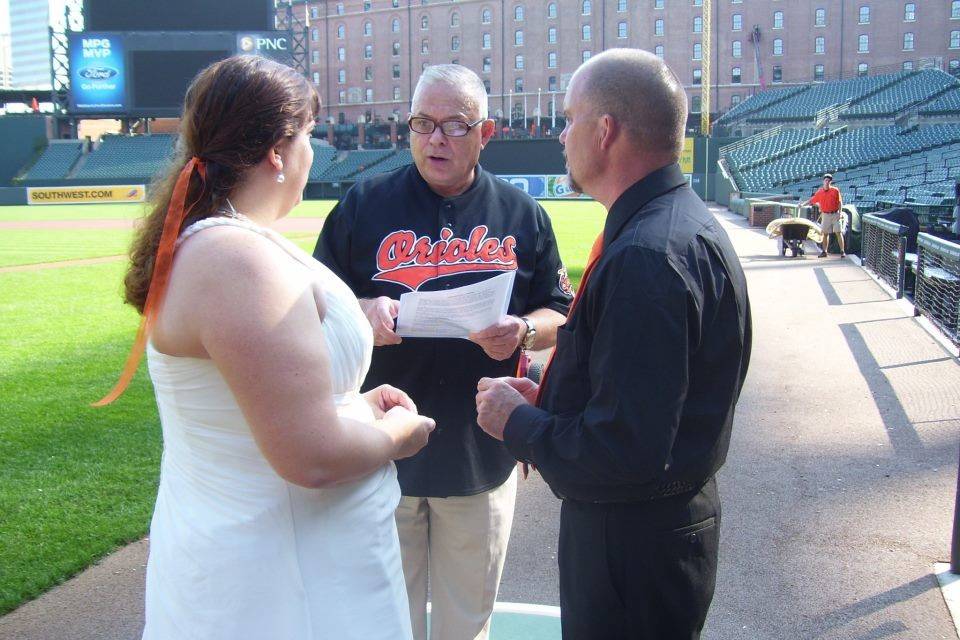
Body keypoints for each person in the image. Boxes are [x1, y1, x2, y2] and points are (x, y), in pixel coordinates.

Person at [96, 55, 435, 639]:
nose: (315, 151)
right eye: (309, 135)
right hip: (281, 583)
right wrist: (399, 436)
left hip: (286, 558)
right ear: (277, 153)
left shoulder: (227, 246)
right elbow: (310, 455)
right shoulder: (236, 259)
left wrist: (354, 407)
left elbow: (265, 409)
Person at [475, 49, 753, 640]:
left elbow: (623, 450)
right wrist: (548, 401)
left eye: (569, 118)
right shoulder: (678, 224)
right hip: (659, 538)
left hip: (631, 550)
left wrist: (516, 423)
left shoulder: (645, 257)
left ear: (605, 133)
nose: (560, 134)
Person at [314, 64, 572, 640]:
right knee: (385, 623)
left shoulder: (522, 214)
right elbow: (314, 303)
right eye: (422, 123)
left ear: (486, 133)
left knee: (467, 624)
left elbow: (560, 311)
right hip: (381, 449)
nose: (435, 138)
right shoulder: (363, 205)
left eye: (454, 124)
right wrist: (362, 310)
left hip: (481, 451)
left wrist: (523, 333)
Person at [801, 173, 846, 258]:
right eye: (826, 180)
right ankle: (824, 251)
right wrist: (802, 204)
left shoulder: (835, 190)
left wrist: (840, 212)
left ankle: (842, 251)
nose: (827, 182)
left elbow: (840, 202)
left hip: (835, 214)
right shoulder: (820, 192)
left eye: (829, 181)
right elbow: (812, 200)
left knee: (838, 232)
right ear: (823, 181)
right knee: (825, 234)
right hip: (825, 214)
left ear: (830, 182)